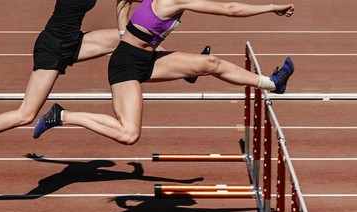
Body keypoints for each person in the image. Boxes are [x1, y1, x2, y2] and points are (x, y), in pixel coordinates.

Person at [0, 0, 209, 177]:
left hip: (74, 40)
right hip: (52, 47)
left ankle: (187, 72)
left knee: (130, 39)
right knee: (25, 114)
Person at [33, 0, 295, 146]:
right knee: (129, 134)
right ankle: (62, 115)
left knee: (211, 64)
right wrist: (271, 7)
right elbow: (230, 10)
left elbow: (122, 1)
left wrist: (125, 31)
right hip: (126, 66)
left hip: (147, 58)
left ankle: (272, 83)